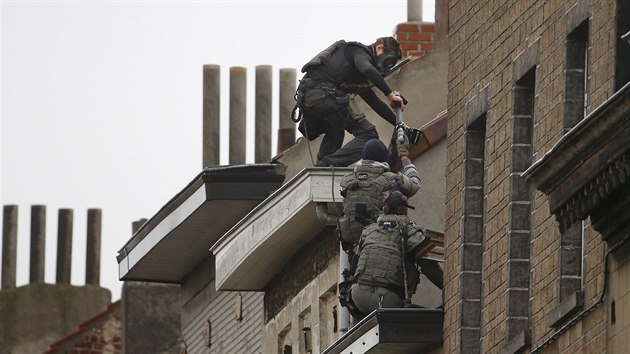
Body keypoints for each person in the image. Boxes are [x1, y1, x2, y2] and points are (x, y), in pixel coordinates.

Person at [294, 37, 405, 167]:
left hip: (309, 98)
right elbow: (368, 69)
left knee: (335, 131)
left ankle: (321, 169)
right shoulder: (358, 52)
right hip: (324, 94)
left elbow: (375, 103)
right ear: (379, 48)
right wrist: (390, 94)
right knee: (368, 134)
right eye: (388, 61)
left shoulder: (356, 74)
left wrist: (400, 124)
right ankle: (327, 165)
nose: (387, 66)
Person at [350, 191, 442, 316]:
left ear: (385, 209)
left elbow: (355, 264)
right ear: (404, 211)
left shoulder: (369, 230)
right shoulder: (410, 231)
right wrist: (448, 288)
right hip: (386, 298)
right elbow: (429, 267)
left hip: (357, 296)